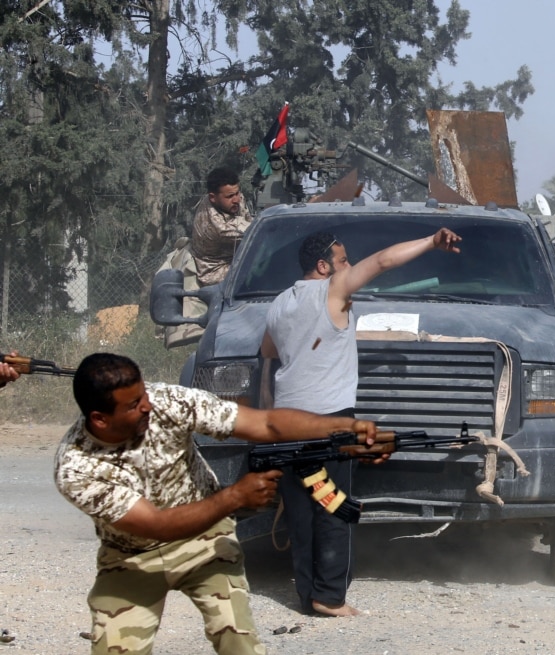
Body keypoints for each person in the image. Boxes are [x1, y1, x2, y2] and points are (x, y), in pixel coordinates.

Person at [53, 352, 379, 655]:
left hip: (206, 540)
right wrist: (235, 496)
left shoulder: (168, 402)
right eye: (134, 404)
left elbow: (266, 424)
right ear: (99, 419)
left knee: (238, 639)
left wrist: (343, 428)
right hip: (132, 557)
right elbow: (157, 525)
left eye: (144, 394)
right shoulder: (76, 467)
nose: (147, 406)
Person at [260, 227, 462, 618]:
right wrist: (430, 242)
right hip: (328, 424)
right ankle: (331, 597)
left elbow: (268, 354)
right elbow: (384, 260)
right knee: (333, 506)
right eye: (343, 261)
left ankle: (308, 596)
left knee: (301, 511)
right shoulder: (330, 292)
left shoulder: (280, 304)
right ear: (323, 266)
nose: (349, 267)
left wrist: (269, 407)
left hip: (286, 423)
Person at [191, 166, 254, 287]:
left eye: (237, 193)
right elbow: (257, 233)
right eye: (230, 196)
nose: (237, 200)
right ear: (212, 198)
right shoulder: (218, 226)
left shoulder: (229, 201)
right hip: (217, 272)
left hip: (236, 257)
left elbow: (248, 219)